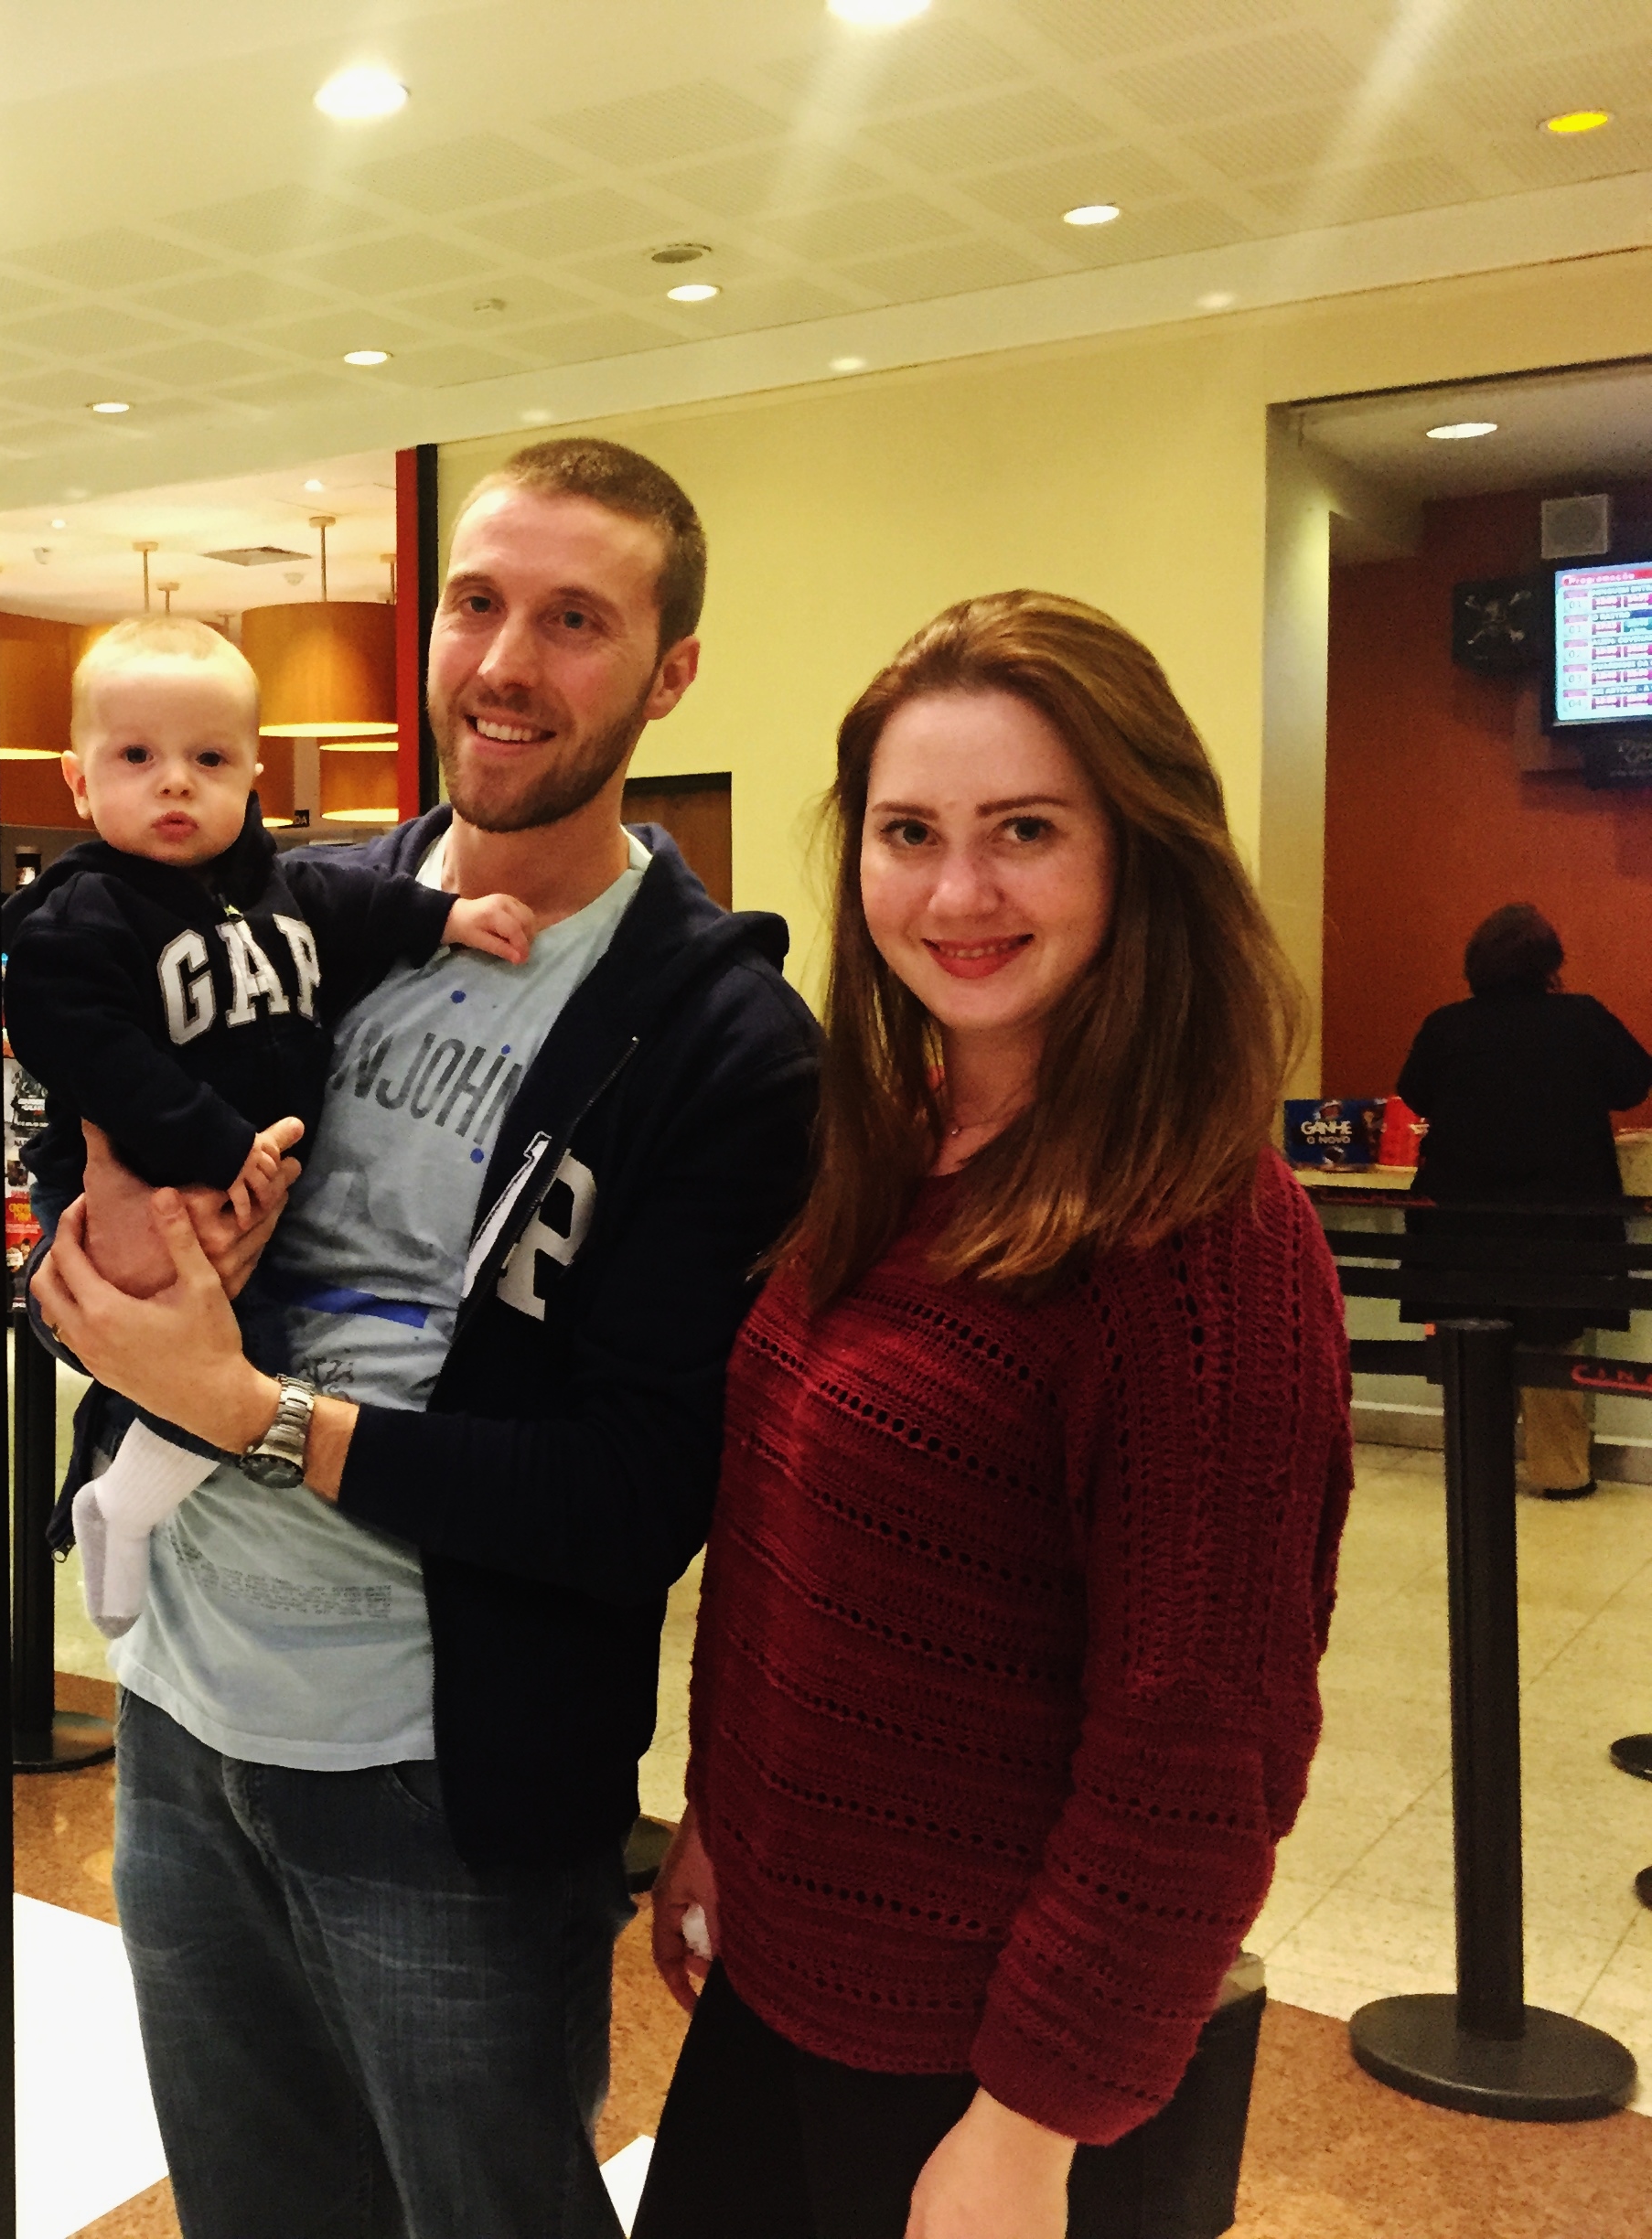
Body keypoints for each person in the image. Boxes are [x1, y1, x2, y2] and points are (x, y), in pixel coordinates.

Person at [32, 437, 820, 2238]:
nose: (503, 663)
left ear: (671, 673)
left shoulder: (722, 1045)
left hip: (440, 1779)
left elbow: (632, 1493)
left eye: (575, 620)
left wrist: (246, 1410)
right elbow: (91, 1209)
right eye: (475, 601)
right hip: (180, 1726)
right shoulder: (282, 914)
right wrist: (104, 1286)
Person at [639, 592, 1352, 2239]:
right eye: (910, 833)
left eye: (1023, 830)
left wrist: (1028, 2130)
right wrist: (717, 1822)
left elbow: (1200, 1749)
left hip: (980, 2068)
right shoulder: (894, 1148)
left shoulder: (1202, 1240)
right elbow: (779, 1556)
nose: (957, 894)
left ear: (1137, 853)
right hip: (782, 1978)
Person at [1, 614, 532, 1628]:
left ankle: (123, 1496)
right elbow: (87, 1050)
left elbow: (362, 902)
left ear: (253, 775)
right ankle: (119, 1504)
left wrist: (450, 918)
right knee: (209, 1352)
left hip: (242, 1184)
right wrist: (211, 1141)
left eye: (207, 760)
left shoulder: (277, 886)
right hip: (143, 1178)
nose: (173, 784)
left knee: (240, 1358)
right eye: (136, 757)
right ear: (78, 781)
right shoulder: (84, 914)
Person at [1396, 903, 1652, 1498]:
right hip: (1561, 1229)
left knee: (1475, 1344)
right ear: (1549, 962)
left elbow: (1415, 1093)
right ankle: (1561, 1473)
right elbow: (1633, 1084)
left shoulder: (1446, 1026)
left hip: (1464, 1231)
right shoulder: (1583, 1019)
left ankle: (1478, 1470)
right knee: (1552, 1344)